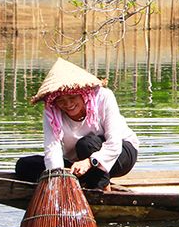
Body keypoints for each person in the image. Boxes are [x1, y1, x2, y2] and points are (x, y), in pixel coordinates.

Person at [15, 58, 139, 190]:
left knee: (86, 144)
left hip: (120, 154)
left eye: (72, 97)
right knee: (24, 165)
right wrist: (56, 177)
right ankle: (81, 181)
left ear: (83, 94)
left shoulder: (104, 97)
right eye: (61, 100)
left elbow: (114, 144)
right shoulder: (51, 112)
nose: (68, 104)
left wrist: (90, 162)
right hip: (78, 163)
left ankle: (102, 187)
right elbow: (52, 148)